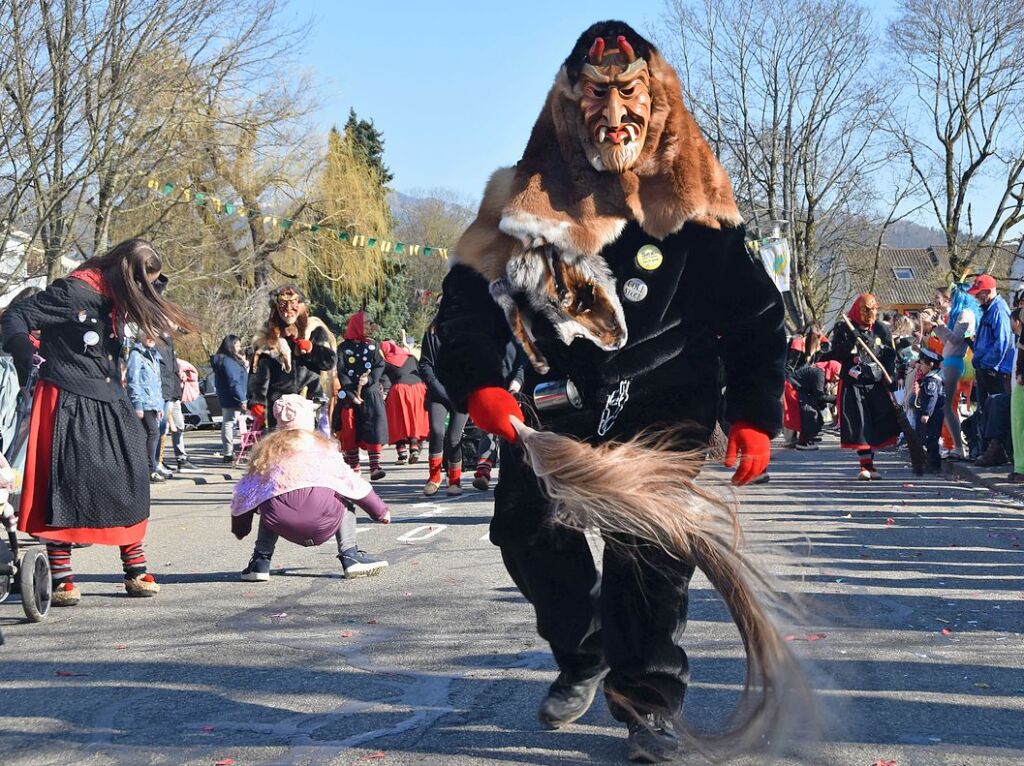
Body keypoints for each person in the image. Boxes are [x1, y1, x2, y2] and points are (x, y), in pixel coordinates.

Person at [432, 22, 784, 762]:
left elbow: (756, 319)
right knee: (526, 536)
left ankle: (647, 704)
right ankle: (583, 649)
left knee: (648, 557)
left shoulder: (700, 211)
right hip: (558, 408)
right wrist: (480, 385)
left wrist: (754, 413)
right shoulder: (522, 204)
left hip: (664, 410)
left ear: (656, 104)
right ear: (569, 106)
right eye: (596, 96)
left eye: (630, 95)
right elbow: (464, 308)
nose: (613, 113)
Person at [1, 237, 194, 606]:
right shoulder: (72, 292)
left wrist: (150, 281)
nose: (146, 292)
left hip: (110, 396)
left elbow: (150, 293)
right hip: (68, 395)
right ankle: (60, 577)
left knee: (131, 478)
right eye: (143, 282)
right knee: (66, 482)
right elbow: (16, 316)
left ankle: (135, 567)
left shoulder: (117, 296)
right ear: (125, 275)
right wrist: (26, 353)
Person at [231, 395, 390, 581]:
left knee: (269, 501)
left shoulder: (267, 451)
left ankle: (260, 561)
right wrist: (379, 511)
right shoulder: (323, 447)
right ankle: (350, 555)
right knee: (344, 499)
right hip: (324, 518)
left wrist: (240, 527)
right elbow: (350, 481)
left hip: (282, 522)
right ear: (309, 419)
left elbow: (246, 492)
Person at [826, 294, 899, 480]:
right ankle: (866, 465)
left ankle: (871, 463)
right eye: (867, 309)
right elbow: (836, 353)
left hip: (875, 381)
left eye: (874, 309)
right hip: (854, 383)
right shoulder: (845, 327)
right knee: (861, 423)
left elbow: (890, 355)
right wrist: (851, 340)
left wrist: (891, 376)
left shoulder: (881, 329)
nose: (872, 313)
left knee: (878, 421)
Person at [249, 285, 335, 430]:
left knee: (306, 446)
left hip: (308, 401)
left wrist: (312, 349)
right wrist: (257, 399)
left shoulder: (314, 331)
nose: (289, 309)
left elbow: (329, 362)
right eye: (283, 304)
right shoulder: (269, 336)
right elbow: (258, 371)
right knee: (280, 448)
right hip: (279, 406)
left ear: (301, 305)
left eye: (293, 303)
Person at [929, 285, 980, 460]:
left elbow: (956, 339)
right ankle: (957, 446)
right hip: (950, 361)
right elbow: (947, 340)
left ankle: (958, 447)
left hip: (954, 362)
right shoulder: (960, 314)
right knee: (948, 406)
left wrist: (941, 324)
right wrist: (937, 327)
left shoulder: (965, 314)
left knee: (949, 406)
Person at [335, 311, 388, 479]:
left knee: (373, 427)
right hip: (349, 395)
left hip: (370, 394)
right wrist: (350, 392)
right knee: (350, 429)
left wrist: (371, 379)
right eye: (367, 323)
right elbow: (341, 370)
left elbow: (380, 365)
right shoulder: (343, 348)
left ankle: (375, 466)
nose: (371, 326)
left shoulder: (374, 345)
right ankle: (354, 467)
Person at [419, 317, 469, 496]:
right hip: (437, 392)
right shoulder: (432, 333)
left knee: (454, 438)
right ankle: (434, 477)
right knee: (437, 431)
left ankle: (454, 480)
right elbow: (424, 364)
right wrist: (439, 389)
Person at [969, 274, 1014, 465]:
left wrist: (986, 363)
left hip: (994, 370)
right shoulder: (990, 310)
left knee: (996, 410)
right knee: (986, 410)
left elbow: (1002, 342)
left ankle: (997, 450)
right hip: (988, 367)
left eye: (978, 294)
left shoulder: (998, 311)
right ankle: (991, 449)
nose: (976, 298)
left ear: (987, 292)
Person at [473, 341, 526, 490]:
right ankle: (483, 472)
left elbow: (522, 365)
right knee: (488, 430)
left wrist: (515, 387)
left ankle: (509, 473)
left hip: (513, 390)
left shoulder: (518, 338)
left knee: (511, 433)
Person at [154, 326, 199, 474]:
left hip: (173, 391)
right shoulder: (157, 343)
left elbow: (172, 366)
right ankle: (159, 461)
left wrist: (180, 374)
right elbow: (161, 369)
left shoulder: (169, 341)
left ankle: (181, 458)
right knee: (164, 428)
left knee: (178, 426)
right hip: (165, 392)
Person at [126, 334, 167, 482]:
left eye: (154, 337)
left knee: (152, 434)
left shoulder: (154, 355)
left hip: (154, 403)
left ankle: (149, 467)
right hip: (143, 402)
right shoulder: (136, 354)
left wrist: (160, 405)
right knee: (153, 433)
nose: (152, 339)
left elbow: (158, 382)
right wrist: (137, 404)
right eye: (148, 336)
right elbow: (133, 380)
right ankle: (150, 468)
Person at [380, 339, 428, 464]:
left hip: (400, 390)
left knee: (397, 420)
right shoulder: (411, 357)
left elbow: (385, 381)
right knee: (414, 418)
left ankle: (402, 453)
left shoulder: (386, 362)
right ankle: (414, 447)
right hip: (418, 389)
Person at [211, 334, 249, 463]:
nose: (239, 348)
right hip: (234, 396)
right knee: (229, 423)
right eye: (237, 345)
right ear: (231, 345)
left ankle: (229, 451)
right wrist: (242, 399)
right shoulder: (229, 361)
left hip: (227, 396)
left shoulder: (223, 359)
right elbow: (234, 381)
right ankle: (228, 452)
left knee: (229, 423)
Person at [912, 347, 945, 472]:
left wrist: (927, 413)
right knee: (927, 438)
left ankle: (934, 464)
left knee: (932, 438)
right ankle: (929, 462)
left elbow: (932, 397)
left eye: (922, 364)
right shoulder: (929, 377)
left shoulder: (932, 380)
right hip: (932, 412)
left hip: (934, 413)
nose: (920, 367)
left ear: (930, 365)